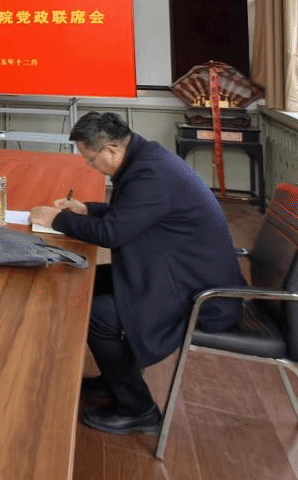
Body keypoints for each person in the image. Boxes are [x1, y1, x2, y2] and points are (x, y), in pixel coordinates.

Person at [28, 111, 245, 436]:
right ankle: (117, 375)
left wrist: (55, 219)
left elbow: (112, 233)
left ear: (112, 149)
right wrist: (88, 210)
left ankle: (139, 410)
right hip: (178, 272)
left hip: (199, 294)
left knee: (99, 314)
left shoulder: (150, 174)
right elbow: (133, 212)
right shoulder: (146, 159)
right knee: (86, 282)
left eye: (90, 159)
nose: (89, 166)